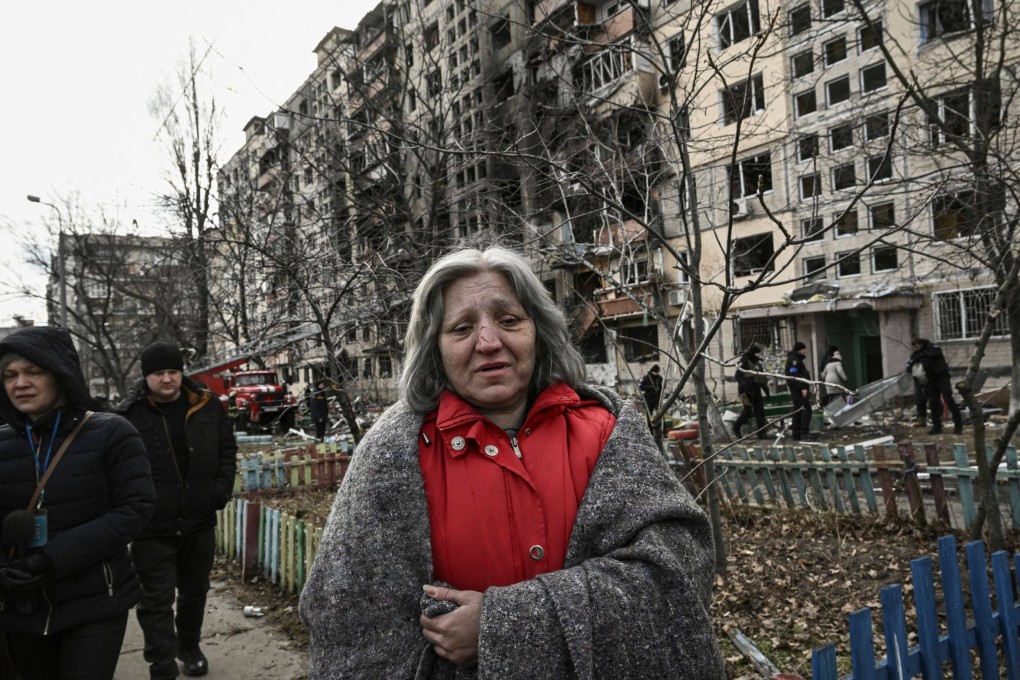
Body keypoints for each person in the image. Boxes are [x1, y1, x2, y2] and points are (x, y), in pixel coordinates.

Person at [299, 246, 724, 679]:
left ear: (538, 330)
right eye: (462, 328)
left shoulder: (606, 432)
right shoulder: (394, 453)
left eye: (509, 320)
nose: (489, 342)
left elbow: (678, 572)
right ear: (435, 348)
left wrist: (500, 626)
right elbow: (349, 622)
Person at [0, 326, 155, 679]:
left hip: (95, 603)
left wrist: (51, 560)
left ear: (59, 373)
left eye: (33, 371)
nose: (19, 383)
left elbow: (134, 510)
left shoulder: (111, 433)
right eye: (9, 375)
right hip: (21, 607)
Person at [115, 342, 238, 679]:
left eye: (173, 371)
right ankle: (162, 662)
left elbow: (227, 449)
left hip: (198, 519)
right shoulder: (128, 415)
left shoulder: (206, 405)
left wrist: (219, 490)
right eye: (158, 373)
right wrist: (136, 507)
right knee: (155, 599)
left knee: (195, 590)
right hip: (153, 525)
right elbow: (118, 469)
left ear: (181, 372)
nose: (167, 379)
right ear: (146, 376)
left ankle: (189, 646)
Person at [909, 337, 964, 435]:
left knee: (948, 400)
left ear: (921, 344)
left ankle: (958, 426)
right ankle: (936, 427)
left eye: (917, 347)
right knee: (933, 403)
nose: (916, 349)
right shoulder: (916, 354)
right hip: (930, 380)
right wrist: (913, 362)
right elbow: (909, 365)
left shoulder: (933, 347)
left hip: (942, 377)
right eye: (914, 348)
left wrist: (920, 355)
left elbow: (934, 354)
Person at [733, 343, 771, 438]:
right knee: (747, 412)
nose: (759, 355)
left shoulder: (757, 363)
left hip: (756, 389)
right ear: (753, 353)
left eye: (759, 353)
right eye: (757, 353)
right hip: (746, 391)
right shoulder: (745, 362)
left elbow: (761, 378)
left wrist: (766, 390)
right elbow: (738, 375)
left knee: (760, 412)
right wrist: (745, 386)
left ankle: (761, 433)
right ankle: (736, 427)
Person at [784, 340, 814, 440]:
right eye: (804, 349)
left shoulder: (796, 359)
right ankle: (804, 433)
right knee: (806, 409)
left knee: (797, 411)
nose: (805, 351)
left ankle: (796, 434)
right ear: (799, 350)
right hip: (797, 388)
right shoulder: (794, 360)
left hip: (797, 388)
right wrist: (802, 388)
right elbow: (794, 375)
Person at [638, 364, 664, 435]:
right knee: (649, 415)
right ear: (653, 371)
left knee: (660, 415)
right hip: (649, 399)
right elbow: (640, 387)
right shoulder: (646, 378)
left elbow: (662, 387)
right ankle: (652, 431)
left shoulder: (660, 378)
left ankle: (661, 430)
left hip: (657, 400)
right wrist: (649, 387)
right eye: (656, 372)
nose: (656, 374)